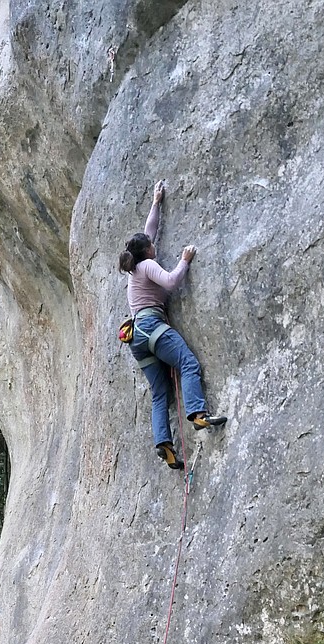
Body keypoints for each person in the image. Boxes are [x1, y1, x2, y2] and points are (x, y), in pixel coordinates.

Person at [119, 180, 227, 470]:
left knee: (160, 394)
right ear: (147, 252)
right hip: (152, 326)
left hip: (137, 339)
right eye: (152, 246)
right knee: (188, 364)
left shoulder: (135, 266)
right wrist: (185, 261)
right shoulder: (148, 266)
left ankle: (165, 445)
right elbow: (169, 281)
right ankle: (198, 414)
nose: (154, 244)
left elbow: (148, 231)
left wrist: (156, 202)